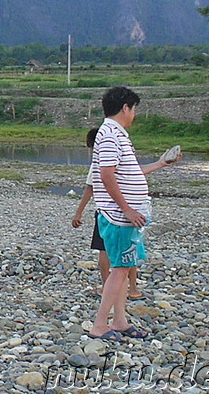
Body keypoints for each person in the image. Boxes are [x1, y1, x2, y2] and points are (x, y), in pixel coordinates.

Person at [88, 87, 181, 342]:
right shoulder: (109, 135)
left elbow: (129, 172)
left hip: (126, 216)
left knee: (125, 265)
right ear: (126, 108)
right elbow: (106, 175)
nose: (135, 114)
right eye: (134, 108)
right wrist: (127, 210)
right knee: (119, 270)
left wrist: (162, 163)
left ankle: (119, 321)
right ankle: (99, 325)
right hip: (119, 217)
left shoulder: (117, 134)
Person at [72, 128, 142, 299]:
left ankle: (106, 287)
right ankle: (132, 289)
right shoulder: (125, 158)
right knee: (129, 249)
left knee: (104, 249)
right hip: (129, 210)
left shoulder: (102, 161)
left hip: (108, 212)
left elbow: (90, 188)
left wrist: (78, 213)